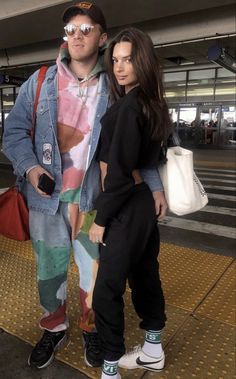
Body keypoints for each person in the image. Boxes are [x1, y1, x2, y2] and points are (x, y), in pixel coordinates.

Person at [3, 2, 167, 370]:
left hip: (96, 199)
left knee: (95, 274)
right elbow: (13, 133)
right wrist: (30, 170)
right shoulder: (41, 80)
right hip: (47, 200)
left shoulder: (116, 83)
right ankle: (54, 327)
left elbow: (138, 147)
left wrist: (154, 185)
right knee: (49, 271)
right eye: (70, 30)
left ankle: (92, 330)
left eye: (86, 29)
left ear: (102, 37)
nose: (77, 36)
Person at [89, 27, 170, 379]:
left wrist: (101, 219)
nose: (120, 67)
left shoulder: (126, 108)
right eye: (116, 60)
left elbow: (119, 174)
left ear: (143, 62)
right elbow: (150, 159)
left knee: (107, 288)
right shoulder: (153, 103)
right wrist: (155, 190)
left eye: (129, 60)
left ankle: (110, 367)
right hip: (141, 206)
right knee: (144, 273)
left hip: (122, 204)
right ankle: (152, 349)